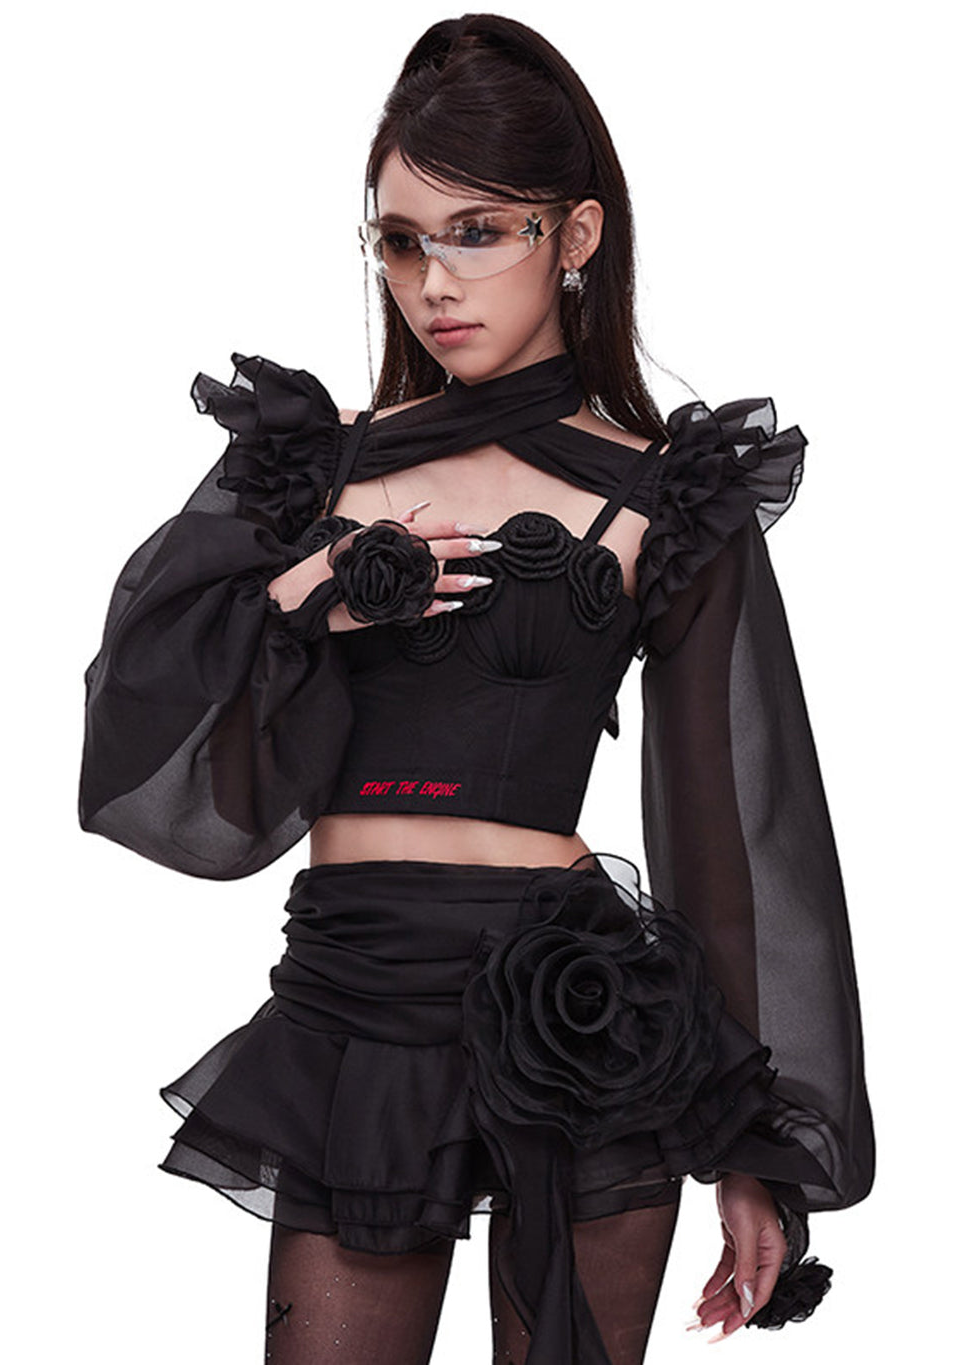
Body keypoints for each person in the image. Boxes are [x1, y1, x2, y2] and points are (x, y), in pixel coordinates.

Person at [77, 13, 875, 1364]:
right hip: (354, 993)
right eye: (401, 241)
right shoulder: (307, 466)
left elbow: (734, 830)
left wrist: (756, 1146)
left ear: (576, 236)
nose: (433, 281)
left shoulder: (666, 497)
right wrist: (302, 598)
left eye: (480, 232)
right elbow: (141, 731)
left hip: (580, 1018)